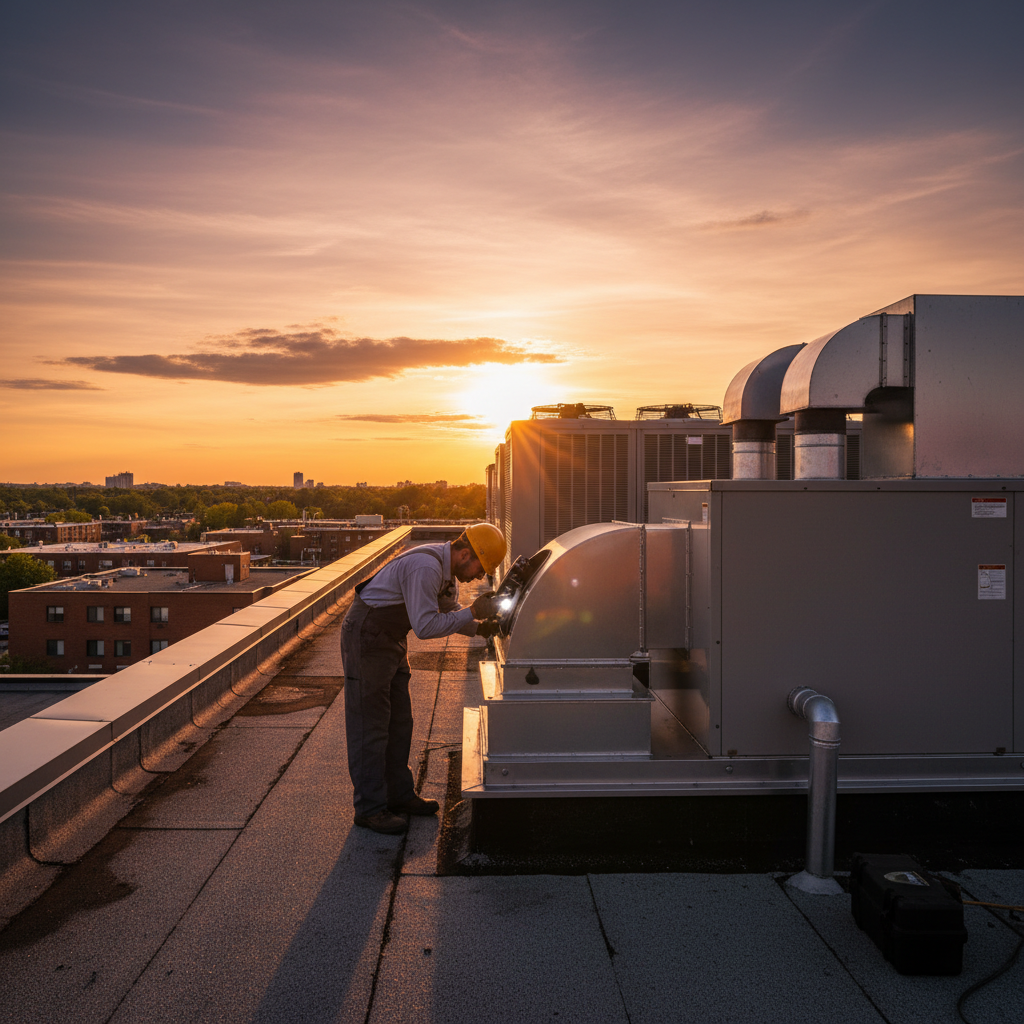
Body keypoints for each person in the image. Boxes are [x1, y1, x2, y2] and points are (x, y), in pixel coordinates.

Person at [340, 522, 506, 834]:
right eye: (480, 568)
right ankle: (370, 809)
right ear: (465, 554)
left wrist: (481, 627)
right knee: (371, 725)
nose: (479, 577)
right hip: (368, 635)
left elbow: (449, 611)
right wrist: (473, 613)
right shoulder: (426, 568)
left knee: (400, 721)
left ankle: (399, 795)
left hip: (390, 638)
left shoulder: (446, 574)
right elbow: (427, 626)